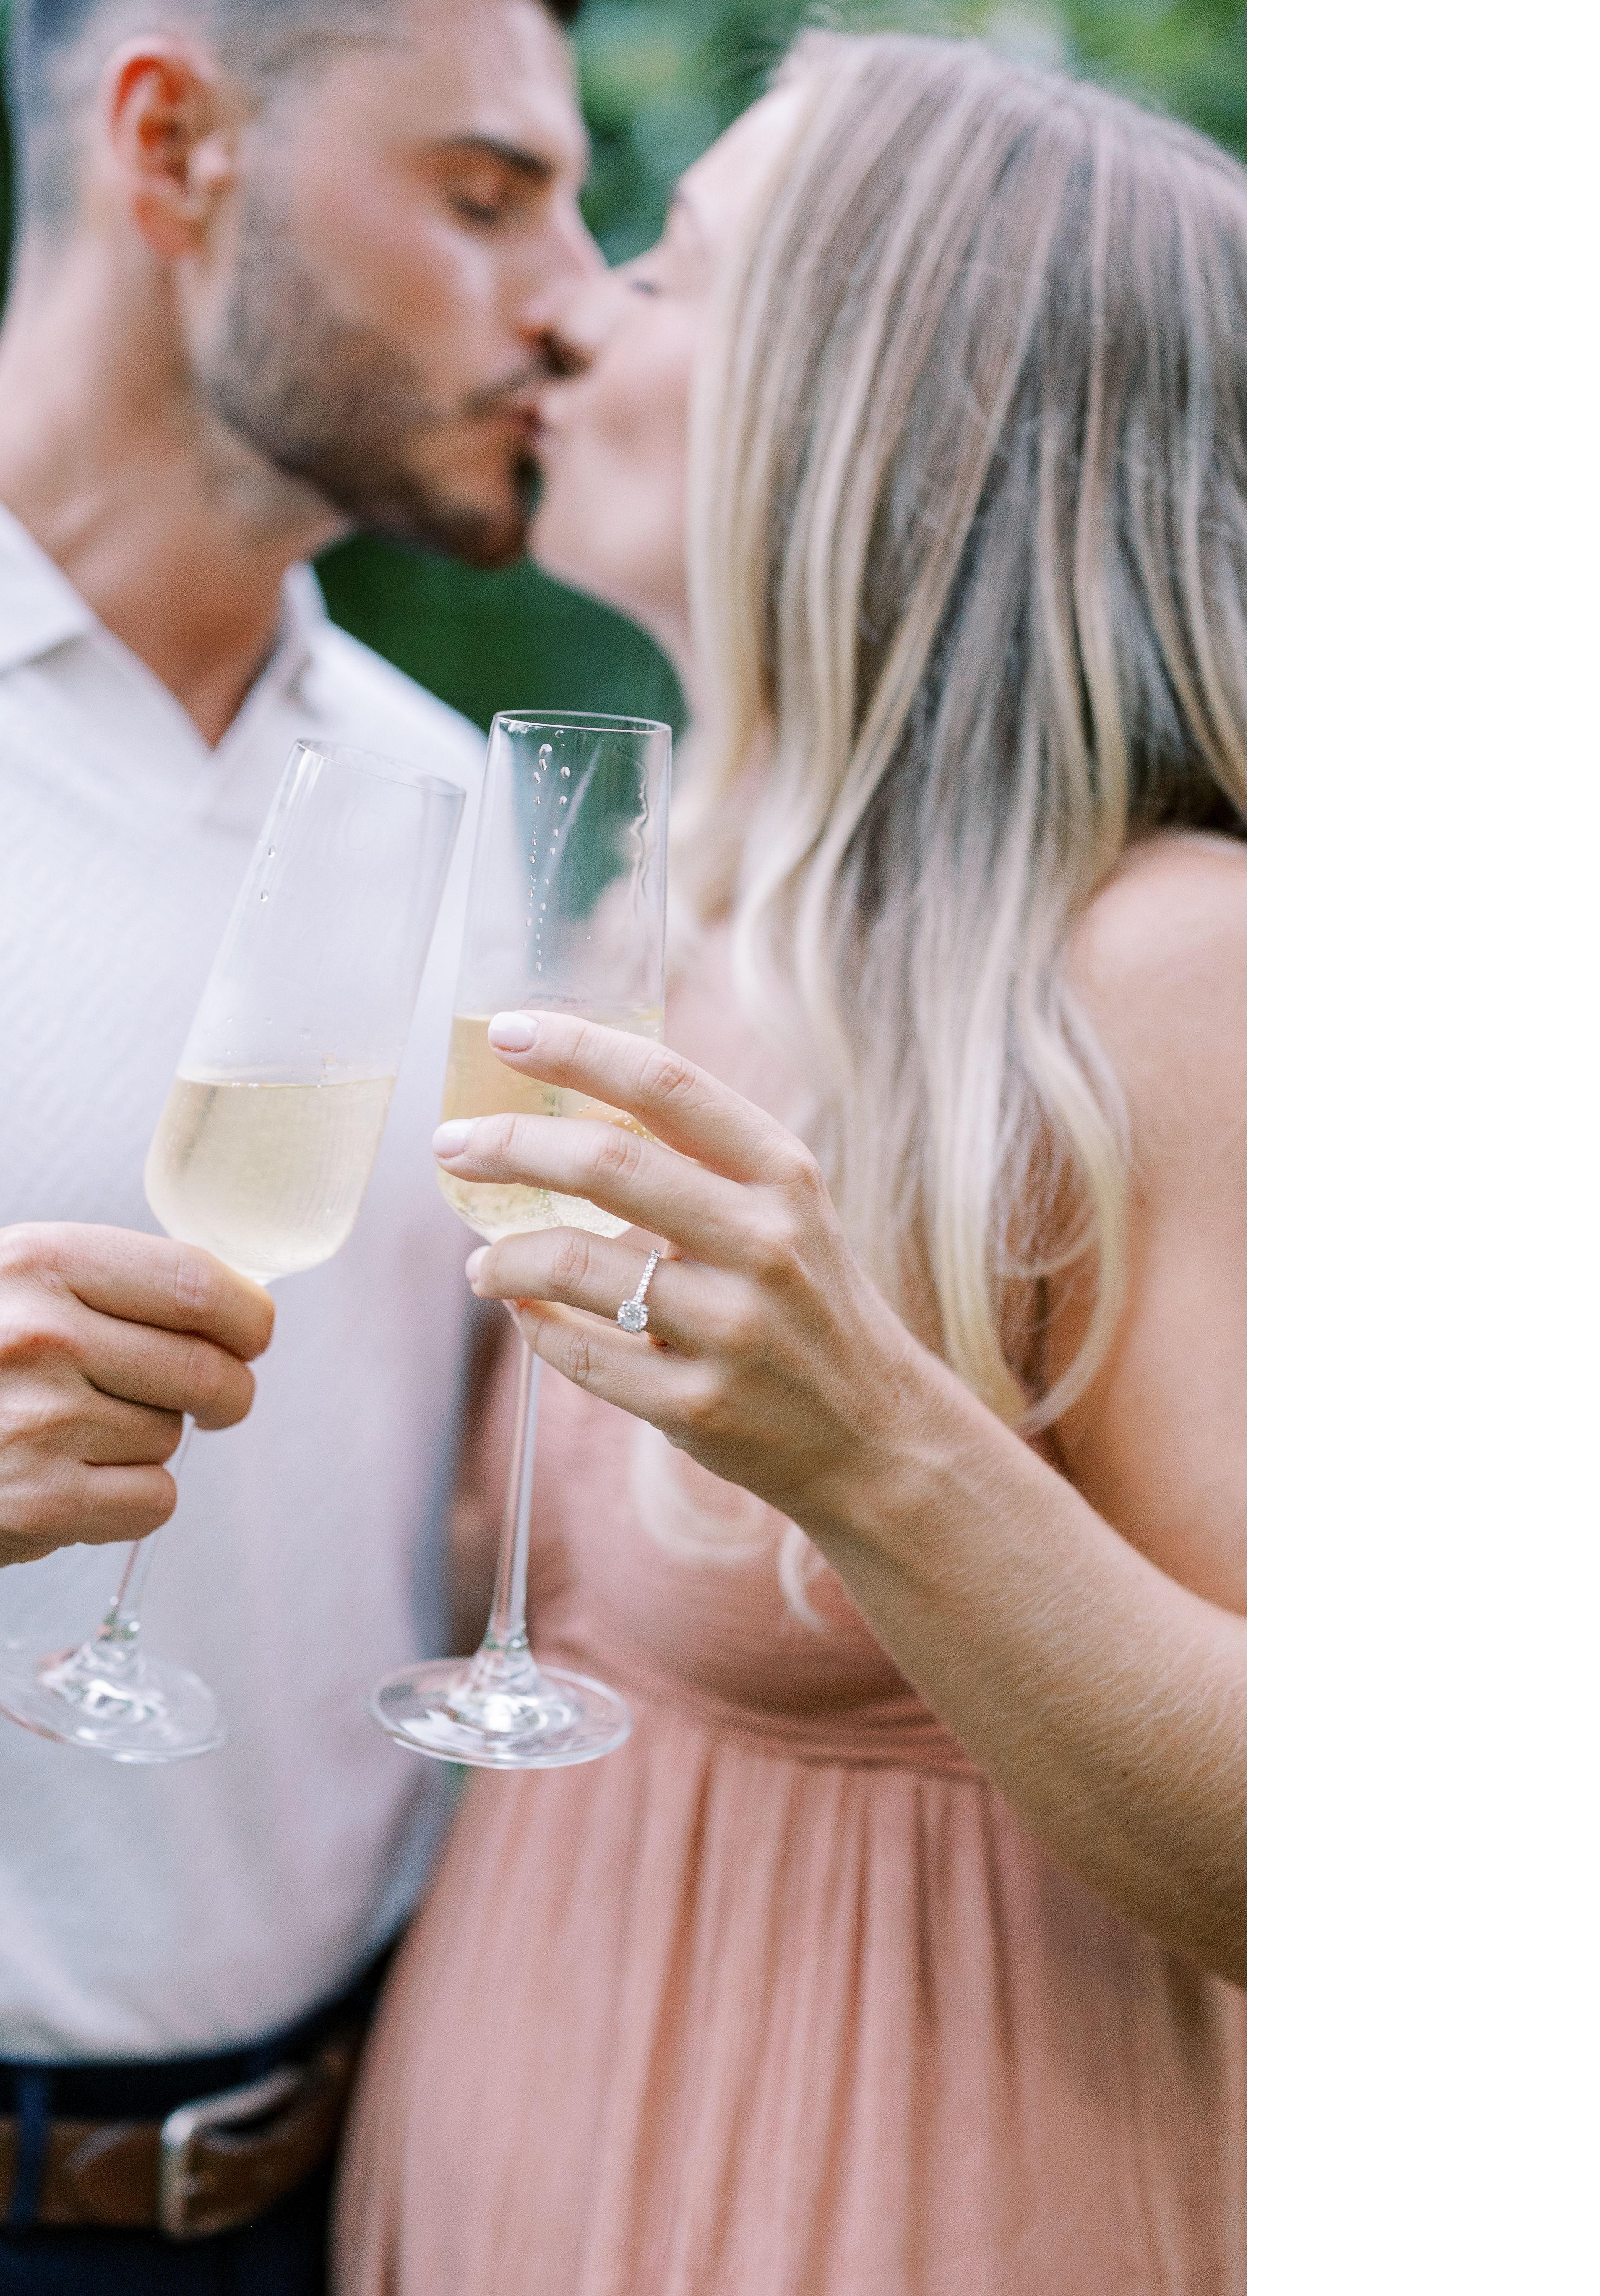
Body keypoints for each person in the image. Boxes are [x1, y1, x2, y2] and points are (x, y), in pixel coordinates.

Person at [337, 31, 1246, 2296]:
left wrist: (878, 1452)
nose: (569, 315)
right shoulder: (656, 930)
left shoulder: (1176, 972)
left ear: (887, 400)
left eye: (667, 266)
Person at [0, 1, 593, 2288]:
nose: (574, 301)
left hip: (335, 2201)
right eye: (487, 196)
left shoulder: (457, 799)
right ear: (174, 142)